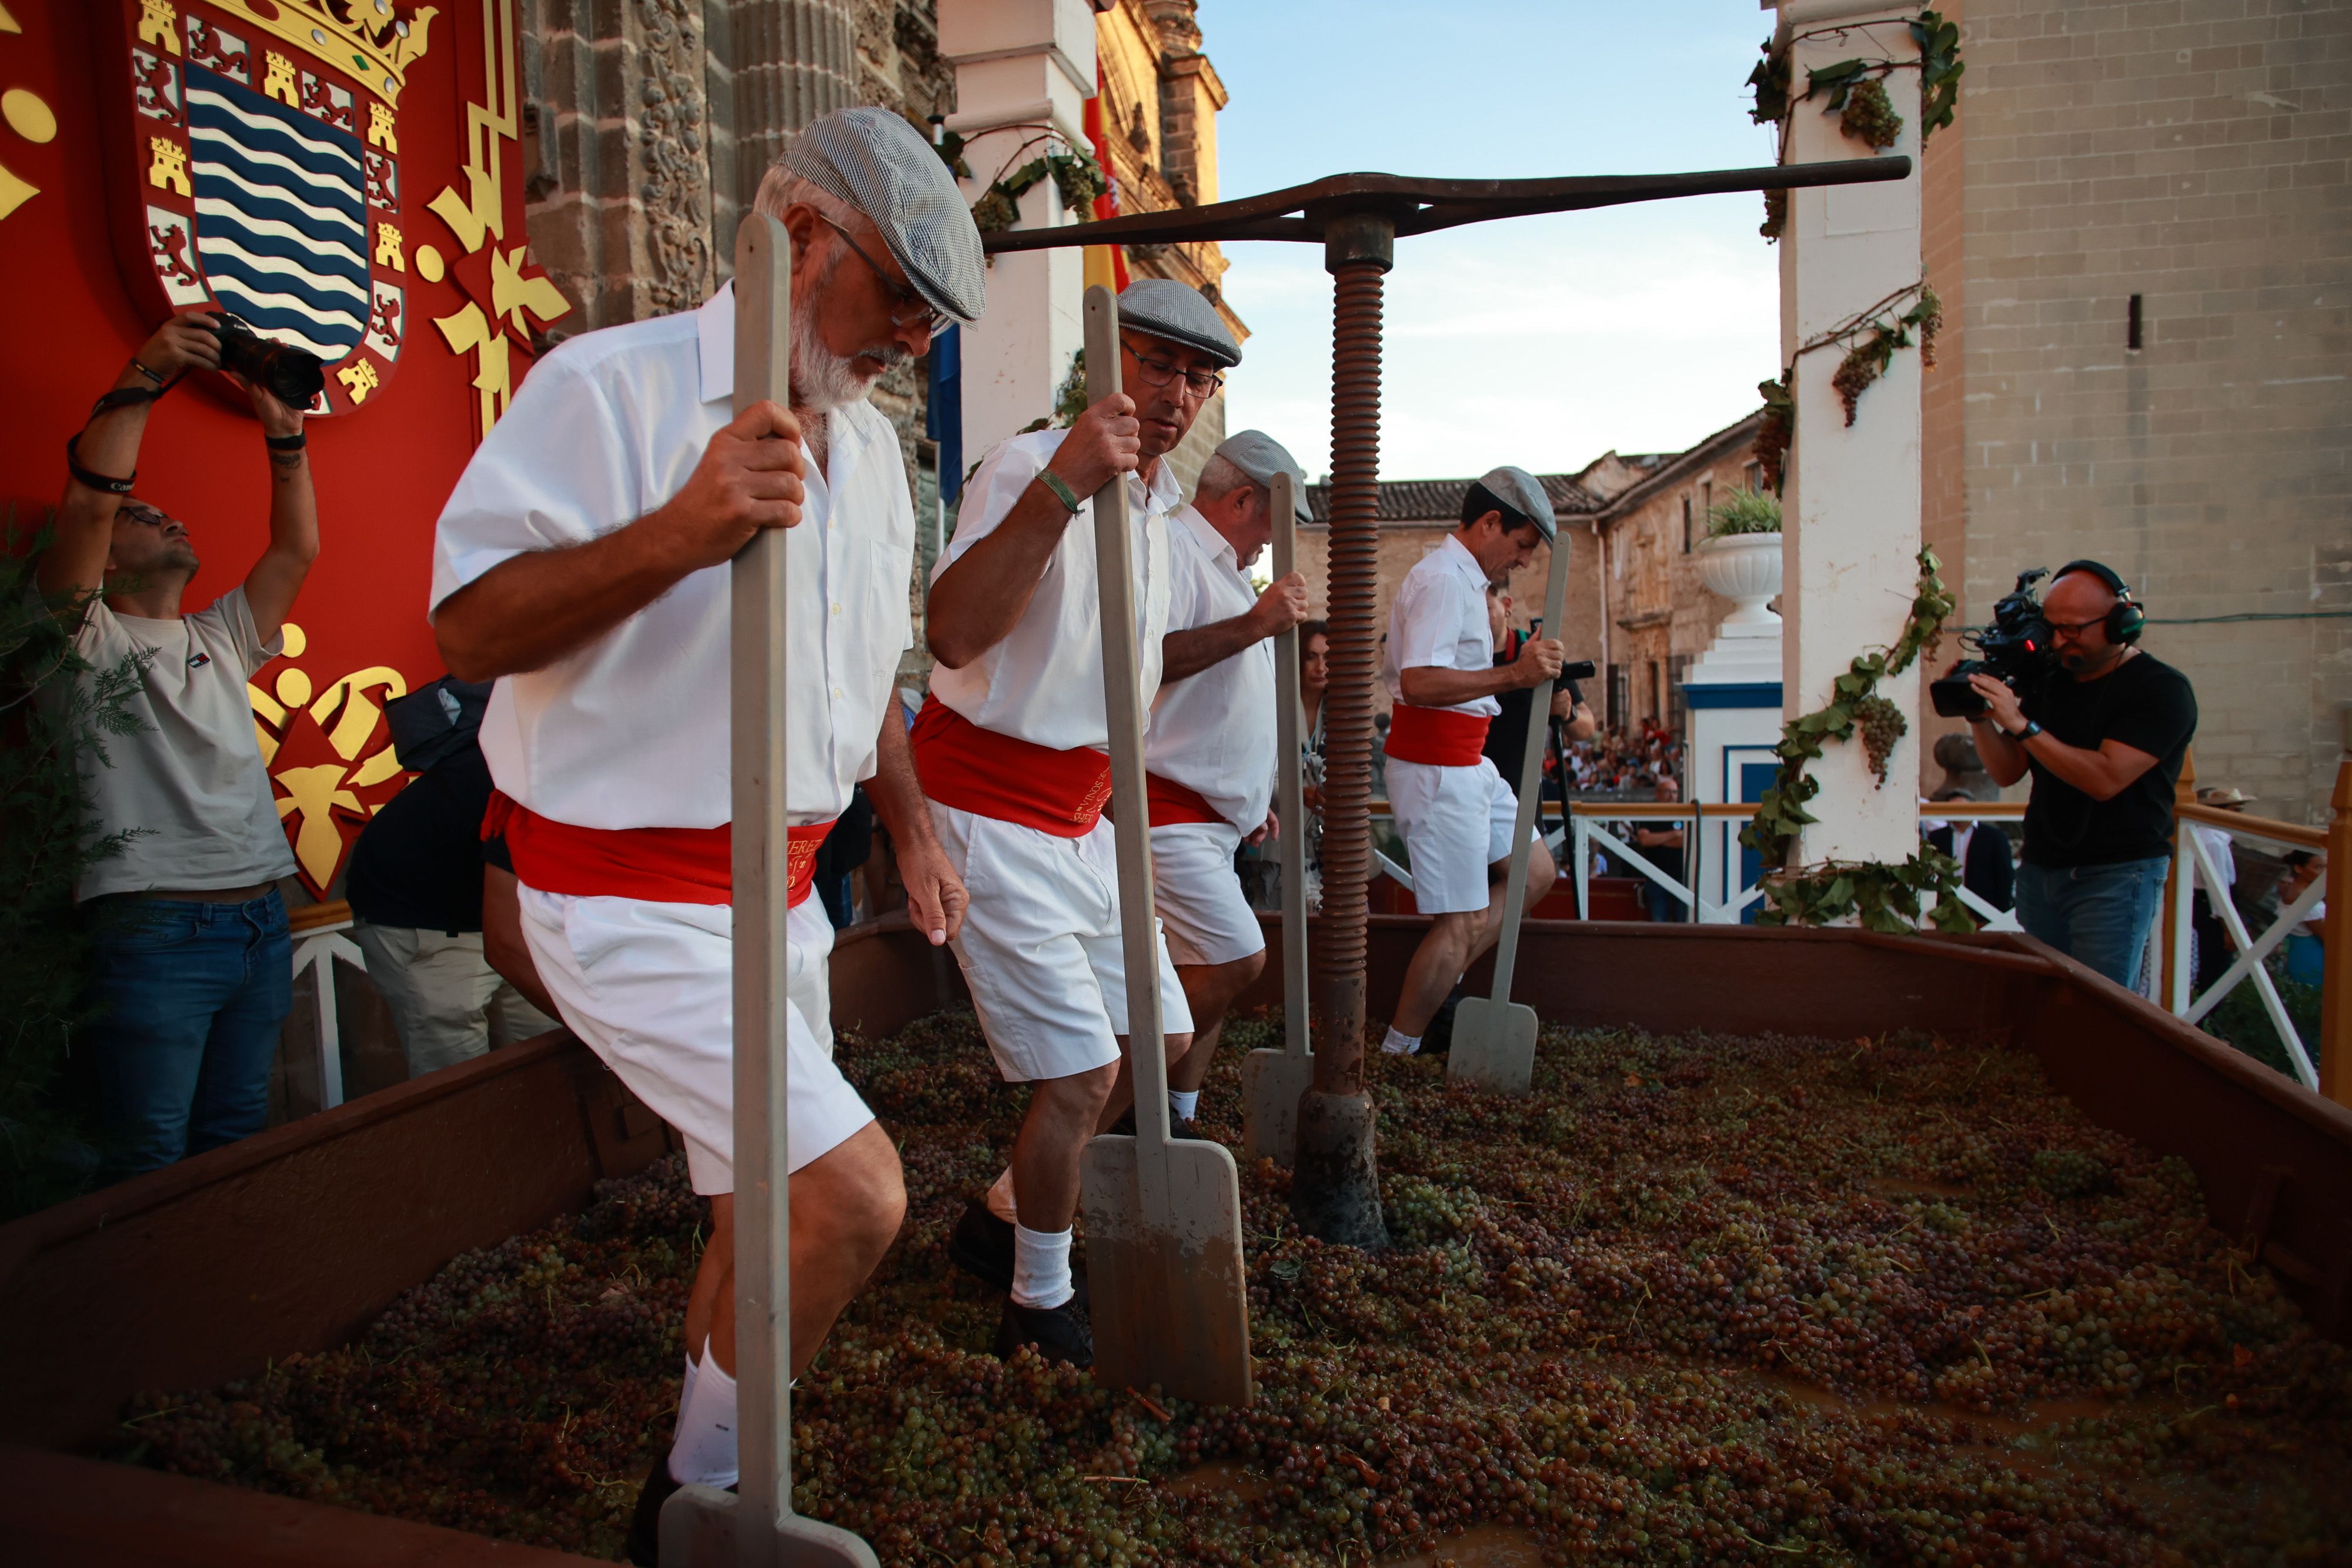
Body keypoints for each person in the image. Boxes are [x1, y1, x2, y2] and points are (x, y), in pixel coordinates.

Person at [426, 108, 981, 1560]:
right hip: (622, 896)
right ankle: (702, 1501)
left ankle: (681, 1503)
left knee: (759, 1220)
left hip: (784, 897)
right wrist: (682, 528)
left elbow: (866, 686)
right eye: (901, 300)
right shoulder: (604, 388)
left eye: (932, 317)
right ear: (799, 238)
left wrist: (910, 822)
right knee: (850, 1199)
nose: (912, 342)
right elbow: (469, 628)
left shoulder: (868, 460)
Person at [919, 277, 1230, 1368]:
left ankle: (1004, 1209)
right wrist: (1062, 484)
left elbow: (1128, 683)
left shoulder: (1155, 513)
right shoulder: (1027, 463)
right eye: (1156, 364)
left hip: (1085, 820)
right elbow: (952, 636)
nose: (1178, 394)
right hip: (992, 810)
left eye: (1199, 376)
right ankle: (1038, 1304)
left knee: (1168, 1035)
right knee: (1083, 1074)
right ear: (1104, 363)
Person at [43, 312, 319, 1178]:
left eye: (165, 511)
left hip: (259, 921)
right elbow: (90, 496)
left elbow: (297, 546)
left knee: (237, 1135)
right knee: (149, 1154)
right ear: (101, 560)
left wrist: (286, 438)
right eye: (141, 515)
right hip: (155, 926)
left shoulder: (221, 635)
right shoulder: (82, 640)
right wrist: (149, 368)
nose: (164, 517)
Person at [1140, 430, 1312, 1132]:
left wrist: (1244, 799)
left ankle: (1177, 1113)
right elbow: (1149, 660)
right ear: (1245, 499)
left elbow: (1218, 706)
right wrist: (1254, 624)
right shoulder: (1173, 551)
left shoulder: (1230, 574)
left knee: (1204, 971)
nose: (1276, 544)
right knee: (1235, 961)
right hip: (1163, 810)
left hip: (1206, 819)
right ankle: (1133, 1097)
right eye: (1276, 523)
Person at [1377, 467, 1568, 1058]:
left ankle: (1443, 985)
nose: (1524, 562)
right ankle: (1397, 1052)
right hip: (1435, 764)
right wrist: (1516, 673)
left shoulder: (1463, 585)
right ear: (1489, 524)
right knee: (1459, 922)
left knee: (1536, 874)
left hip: (1469, 762)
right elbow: (1419, 681)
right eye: (1520, 546)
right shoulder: (1439, 581)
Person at [1966, 560, 2197, 988]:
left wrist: (2021, 724)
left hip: (2116, 873)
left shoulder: (2162, 690)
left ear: (2120, 624)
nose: (2057, 640)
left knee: (2101, 1005)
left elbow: (2105, 778)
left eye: (2072, 629)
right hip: (2041, 869)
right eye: (2051, 626)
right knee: (2043, 998)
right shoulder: (2051, 678)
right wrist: (1979, 718)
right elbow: (2007, 770)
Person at [345, 681, 559, 1078]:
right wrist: (607, 1029)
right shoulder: (532, 775)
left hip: (500, 907)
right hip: (419, 915)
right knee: (461, 1082)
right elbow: (504, 947)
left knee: (544, 1063)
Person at [1480, 579, 1597, 790]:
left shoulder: (1537, 652)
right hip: (1468, 790)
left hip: (1522, 793)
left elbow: (1586, 727)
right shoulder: (1458, 657)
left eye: (1486, 608)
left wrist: (1568, 713)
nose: (1476, 618)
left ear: (1507, 605)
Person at [1923, 785, 2015, 915]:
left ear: (1973, 807)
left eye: (1962, 807)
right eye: (1952, 808)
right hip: (1946, 906)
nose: (1958, 812)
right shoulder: (1937, 837)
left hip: (1985, 907)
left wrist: (2002, 909)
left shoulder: (1994, 836)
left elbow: (2005, 874)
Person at [1632, 773, 1688, 922]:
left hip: (1681, 878)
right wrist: (1675, 834)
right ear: (1657, 794)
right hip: (1655, 877)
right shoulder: (1649, 814)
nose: (1672, 796)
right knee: (1658, 924)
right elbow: (1644, 840)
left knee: (1683, 923)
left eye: (1675, 792)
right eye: (1667, 791)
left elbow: (1685, 842)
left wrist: (1657, 839)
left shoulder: (1684, 814)